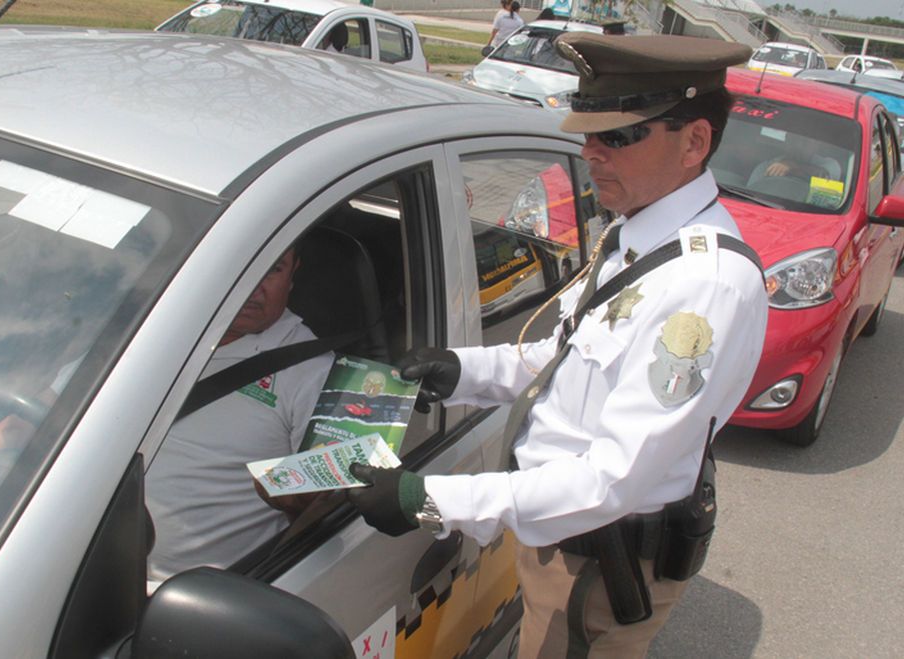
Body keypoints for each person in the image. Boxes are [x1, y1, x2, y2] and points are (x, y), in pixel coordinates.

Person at [347, 33, 768, 658]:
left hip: (600, 561)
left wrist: (428, 497)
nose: (590, 151)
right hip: (564, 539)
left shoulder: (702, 284)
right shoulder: (640, 236)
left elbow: (613, 478)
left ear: (694, 142)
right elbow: (563, 355)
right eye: (590, 132)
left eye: (617, 136)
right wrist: (460, 369)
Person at [146, 246, 333, 582]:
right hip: (82, 563)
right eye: (244, 265)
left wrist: (298, 500)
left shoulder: (311, 371)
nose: (254, 285)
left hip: (190, 598)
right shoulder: (160, 328)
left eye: (273, 268)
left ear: (292, 276)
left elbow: (327, 507)